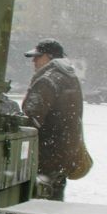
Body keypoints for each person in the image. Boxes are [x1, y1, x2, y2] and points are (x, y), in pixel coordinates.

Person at [22, 38, 84, 200]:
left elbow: (30, 119)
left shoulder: (47, 80)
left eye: (38, 56)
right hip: (64, 155)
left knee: (39, 207)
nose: (34, 61)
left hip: (45, 156)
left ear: (50, 57)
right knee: (54, 202)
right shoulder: (70, 78)